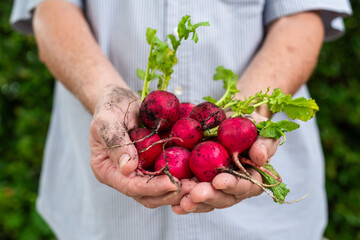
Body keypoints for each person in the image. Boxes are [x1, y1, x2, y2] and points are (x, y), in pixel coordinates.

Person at [10, 0, 352, 239]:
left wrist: (255, 112)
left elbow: (301, 15)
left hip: (262, 228)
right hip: (101, 220)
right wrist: (104, 94)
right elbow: (51, 8)